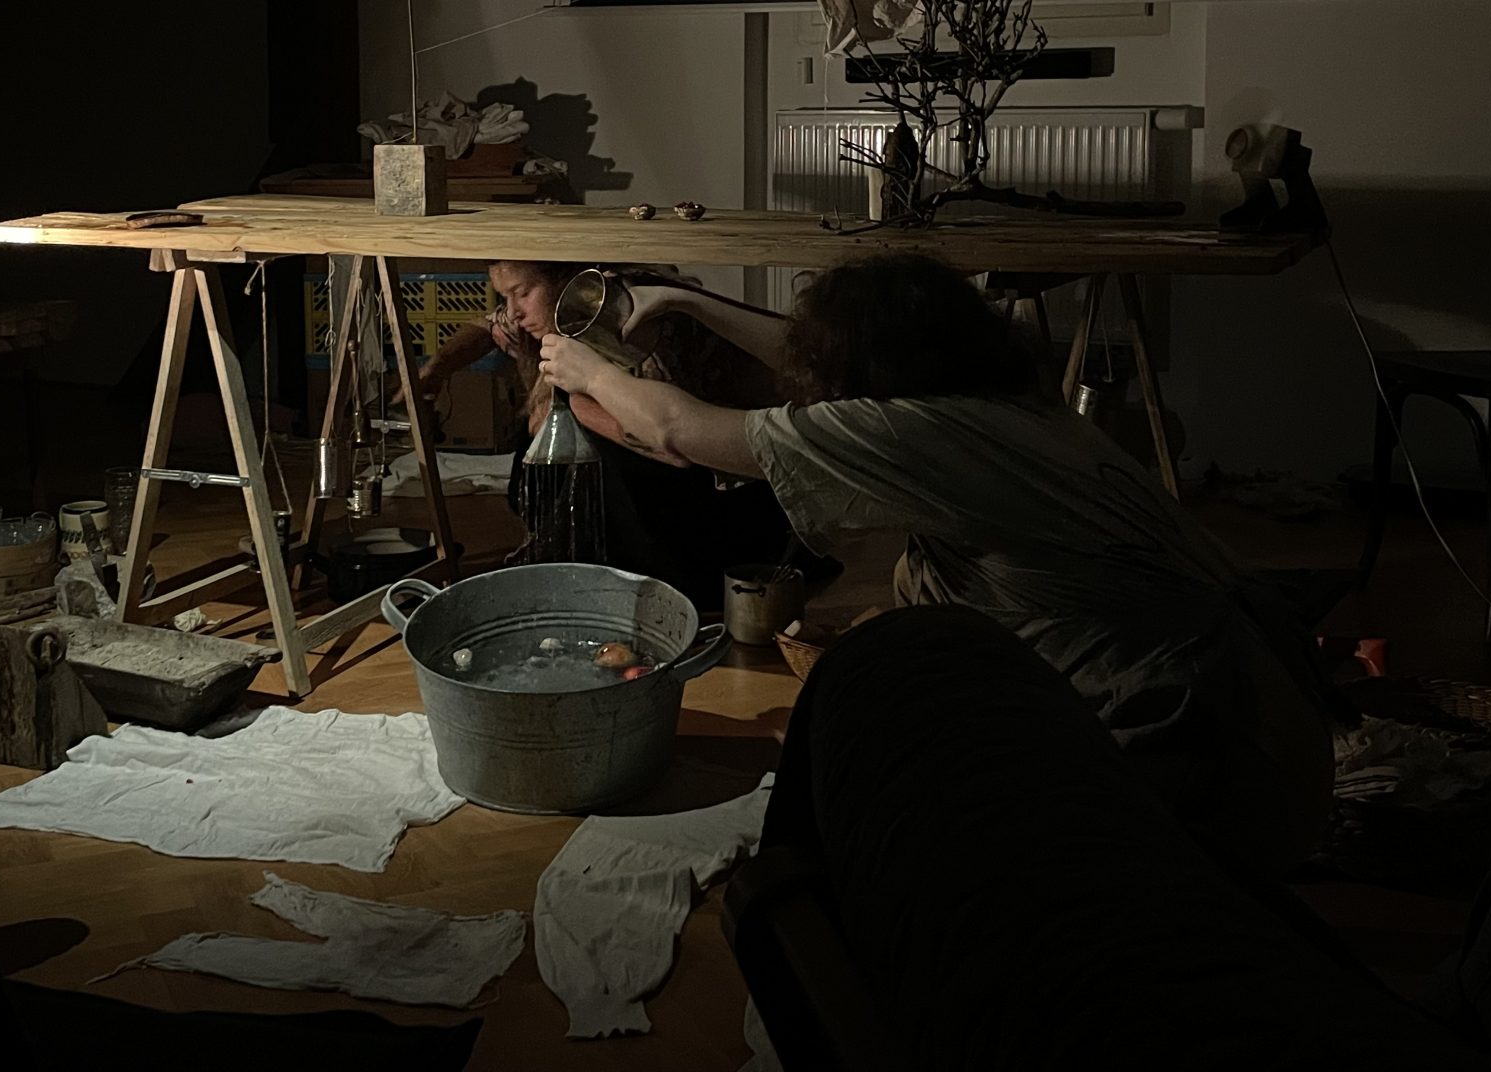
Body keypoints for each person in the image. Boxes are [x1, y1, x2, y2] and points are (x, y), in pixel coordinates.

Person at [538, 252, 1336, 874]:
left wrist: (588, 370)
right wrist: (686, 304)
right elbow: (809, 352)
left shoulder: (919, 433)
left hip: (1202, 759)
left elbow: (678, 429)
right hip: (1262, 715)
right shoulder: (1002, 394)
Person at [417, 258, 792, 607]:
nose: (513, 311)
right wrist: (437, 368)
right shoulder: (546, 309)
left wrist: (574, 404)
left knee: (579, 447)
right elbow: (489, 327)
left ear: (565, 279)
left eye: (523, 292)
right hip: (668, 462)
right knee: (537, 455)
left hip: (727, 493)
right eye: (505, 296)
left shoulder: (630, 319)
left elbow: (672, 448)